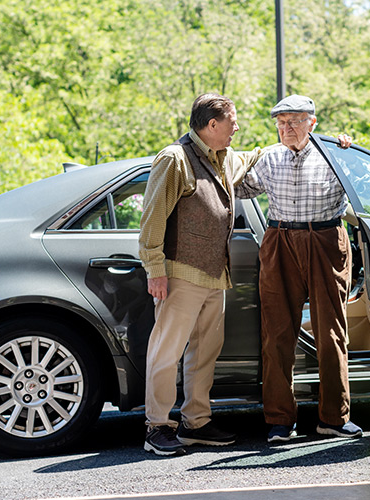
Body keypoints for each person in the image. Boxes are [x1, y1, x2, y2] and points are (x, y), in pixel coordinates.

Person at [138, 93, 262, 456]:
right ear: (211, 125)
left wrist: (297, 136)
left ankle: (197, 422)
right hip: (180, 273)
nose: (236, 127)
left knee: (206, 352)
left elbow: (255, 156)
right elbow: (153, 217)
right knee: (167, 350)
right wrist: (155, 269)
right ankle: (157, 426)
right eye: (232, 122)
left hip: (213, 276)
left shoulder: (223, 158)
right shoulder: (174, 159)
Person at [236, 95, 362, 442]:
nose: (285, 128)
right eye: (280, 122)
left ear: (312, 123)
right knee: (276, 332)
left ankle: (333, 419)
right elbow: (235, 186)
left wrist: (349, 149)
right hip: (280, 241)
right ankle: (279, 420)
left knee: (331, 332)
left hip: (324, 241)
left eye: (293, 121)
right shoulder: (269, 158)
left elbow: (366, 187)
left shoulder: (335, 155)